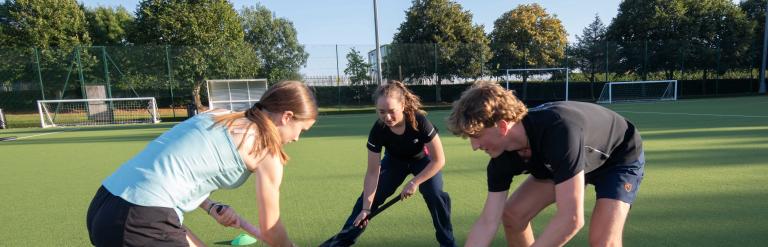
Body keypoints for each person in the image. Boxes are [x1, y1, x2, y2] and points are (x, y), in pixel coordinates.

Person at [86, 81, 317, 247]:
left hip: (104, 205)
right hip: (142, 219)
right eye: (301, 130)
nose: (296, 138)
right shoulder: (267, 151)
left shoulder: (216, 114)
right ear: (287, 117)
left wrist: (210, 206)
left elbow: (172, 165)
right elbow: (271, 229)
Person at [447, 82, 645, 247]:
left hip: (617, 157)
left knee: (604, 242)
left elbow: (571, 219)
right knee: (513, 215)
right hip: (565, 159)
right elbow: (487, 222)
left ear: (502, 126)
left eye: (477, 136)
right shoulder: (502, 158)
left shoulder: (559, 131)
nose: (475, 146)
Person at [320, 81, 456, 247]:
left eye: (392, 111)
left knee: (434, 193)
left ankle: (448, 243)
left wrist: (414, 182)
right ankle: (340, 242)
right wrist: (366, 209)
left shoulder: (419, 121)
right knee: (366, 200)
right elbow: (372, 172)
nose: (387, 117)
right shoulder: (378, 130)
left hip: (423, 161)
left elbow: (439, 160)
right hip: (394, 162)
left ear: (403, 105)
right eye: (381, 112)